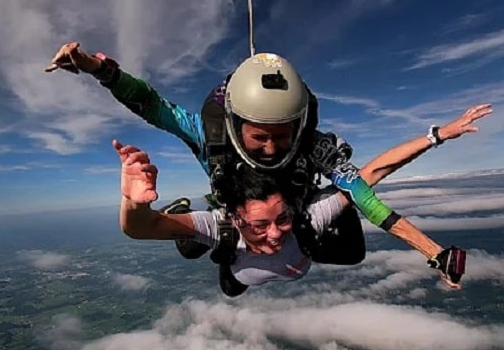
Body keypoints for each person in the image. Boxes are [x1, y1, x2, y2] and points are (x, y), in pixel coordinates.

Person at [47, 43, 492, 269]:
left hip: (289, 211)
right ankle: (193, 220)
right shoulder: (212, 134)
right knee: (200, 245)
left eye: (283, 135)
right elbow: (153, 105)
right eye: (260, 136)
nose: (272, 147)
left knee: (349, 248)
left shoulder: (313, 147)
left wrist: (437, 137)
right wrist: (97, 67)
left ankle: (275, 230)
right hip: (234, 214)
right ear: (238, 123)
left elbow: (372, 185)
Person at [113, 125, 470, 295]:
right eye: (258, 225)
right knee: (210, 262)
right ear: (237, 218)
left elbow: (373, 173)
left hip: (293, 260)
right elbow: (140, 228)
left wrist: (436, 136)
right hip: (237, 274)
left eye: (281, 218)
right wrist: (133, 202)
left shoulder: (306, 219)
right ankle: (188, 231)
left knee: (348, 227)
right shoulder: (221, 224)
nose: (274, 233)